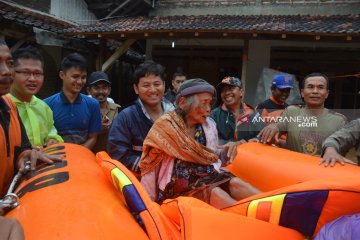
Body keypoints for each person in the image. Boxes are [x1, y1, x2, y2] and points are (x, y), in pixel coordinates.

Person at [140, 78, 260, 209]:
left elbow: (211, 156)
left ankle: (277, 206)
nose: (208, 109)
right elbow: (150, 166)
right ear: (182, 103)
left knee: (236, 183)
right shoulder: (165, 128)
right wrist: (147, 206)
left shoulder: (209, 126)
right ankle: (260, 222)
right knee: (216, 194)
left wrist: (228, 151)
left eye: (210, 103)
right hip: (180, 187)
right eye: (204, 103)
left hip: (209, 177)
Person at [0, 40, 61, 239]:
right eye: (25, 72)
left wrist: (26, 156)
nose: (6, 71)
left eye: (9, 63)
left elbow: (21, 149)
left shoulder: (10, 108)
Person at [108, 60, 174, 175]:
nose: (153, 90)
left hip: (173, 180)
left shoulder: (176, 115)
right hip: (139, 183)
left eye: (157, 84)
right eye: (146, 85)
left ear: (164, 85)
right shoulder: (125, 118)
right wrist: (153, 170)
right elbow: (118, 155)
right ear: (136, 88)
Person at [258, 73, 346, 156]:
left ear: (327, 93)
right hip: (290, 169)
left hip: (321, 170)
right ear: (302, 93)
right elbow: (278, 128)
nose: (315, 91)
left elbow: (341, 151)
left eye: (320, 87)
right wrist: (273, 127)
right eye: (310, 87)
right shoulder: (291, 112)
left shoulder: (338, 121)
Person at [8, 46, 63, 147]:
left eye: (37, 73)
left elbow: (51, 129)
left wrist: (52, 138)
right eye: (26, 72)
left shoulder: (44, 107)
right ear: (11, 73)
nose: (32, 79)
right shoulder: (4, 106)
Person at [44, 53, 102, 150]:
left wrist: (76, 154)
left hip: (83, 157)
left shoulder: (93, 104)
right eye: (75, 77)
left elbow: (93, 138)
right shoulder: (46, 105)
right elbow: (45, 138)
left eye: (83, 77)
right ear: (62, 75)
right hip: (55, 158)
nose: (80, 82)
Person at [211, 76, 260, 144]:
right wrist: (235, 144)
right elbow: (211, 141)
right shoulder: (214, 115)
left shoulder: (253, 114)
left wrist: (256, 140)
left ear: (241, 92)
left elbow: (262, 135)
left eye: (231, 88)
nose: (227, 93)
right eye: (223, 90)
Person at [86, 71, 120, 153]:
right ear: (89, 91)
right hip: (90, 158)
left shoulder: (116, 109)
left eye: (104, 88)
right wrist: (97, 130)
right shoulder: (84, 109)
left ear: (109, 90)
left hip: (112, 158)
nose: (101, 91)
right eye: (96, 88)